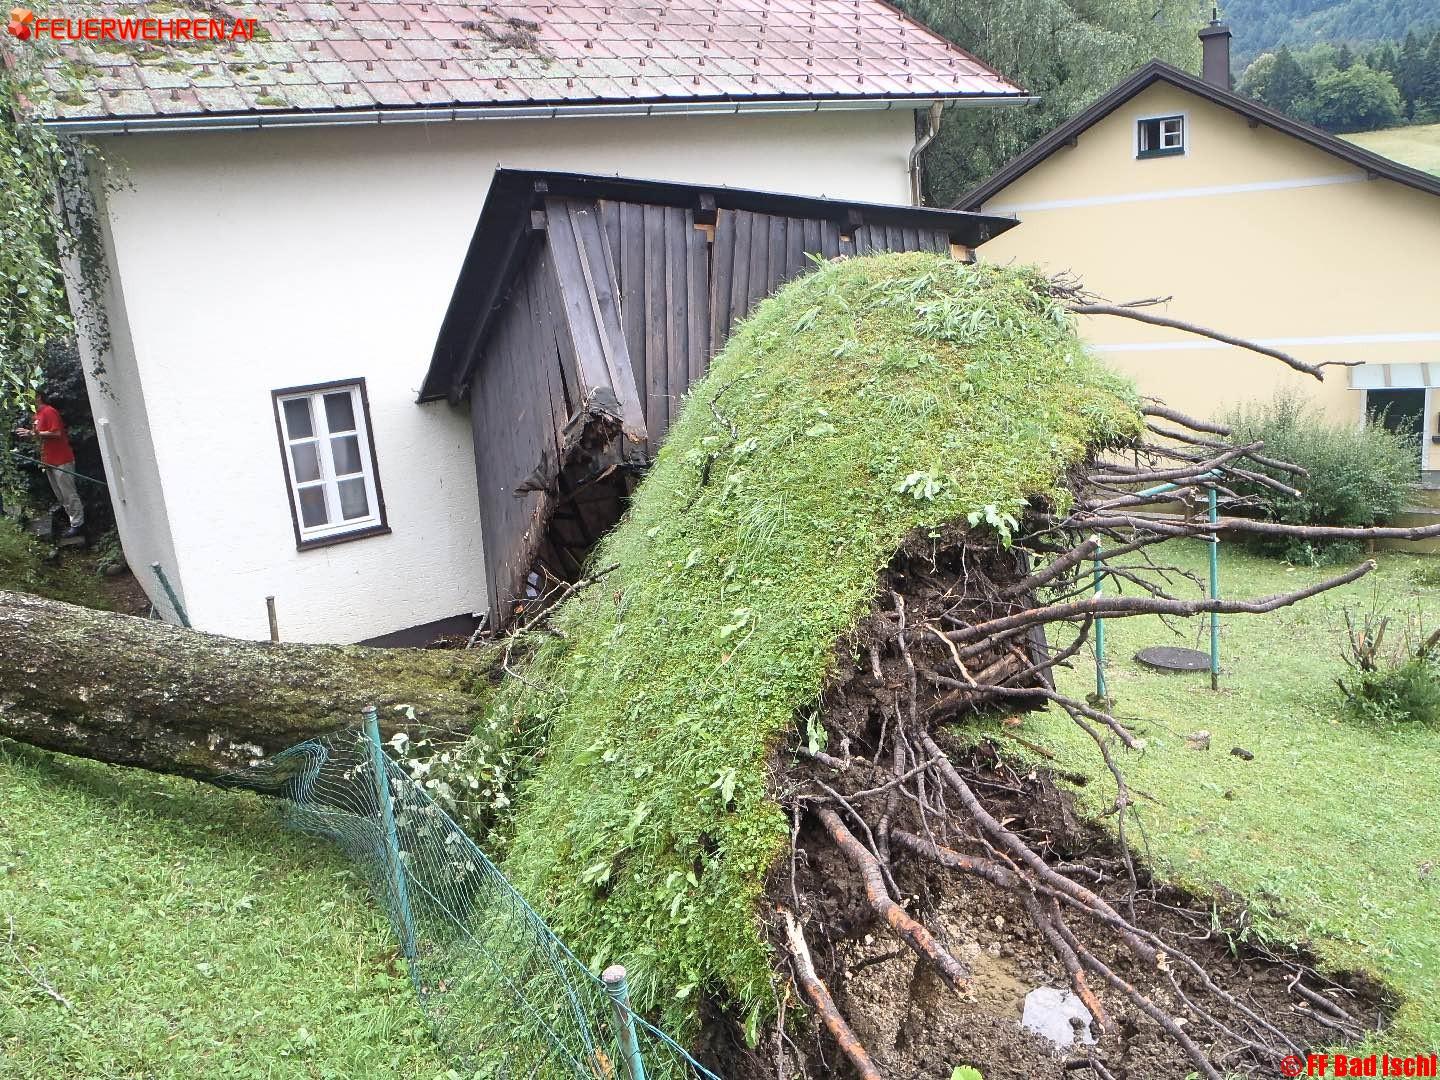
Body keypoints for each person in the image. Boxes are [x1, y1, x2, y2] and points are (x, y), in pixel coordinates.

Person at [15, 388, 85, 538]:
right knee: (60, 495)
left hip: (62, 459)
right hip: (49, 461)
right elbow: (40, 436)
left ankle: (78, 525)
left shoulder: (49, 411)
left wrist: (33, 433)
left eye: (29, 396)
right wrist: (31, 434)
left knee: (69, 494)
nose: (26, 399)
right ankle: (73, 522)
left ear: (39, 397)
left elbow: (57, 433)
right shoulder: (37, 415)